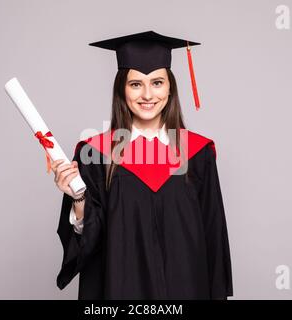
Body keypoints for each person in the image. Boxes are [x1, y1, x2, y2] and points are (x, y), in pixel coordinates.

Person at [52, 31, 233, 300]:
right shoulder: (96, 154)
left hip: (187, 288)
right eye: (136, 84)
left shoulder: (197, 152)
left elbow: (212, 233)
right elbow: (89, 243)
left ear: (170, 87)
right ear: (121, 89)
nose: (148, 94)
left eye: (157, 82)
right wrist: (78, 198)